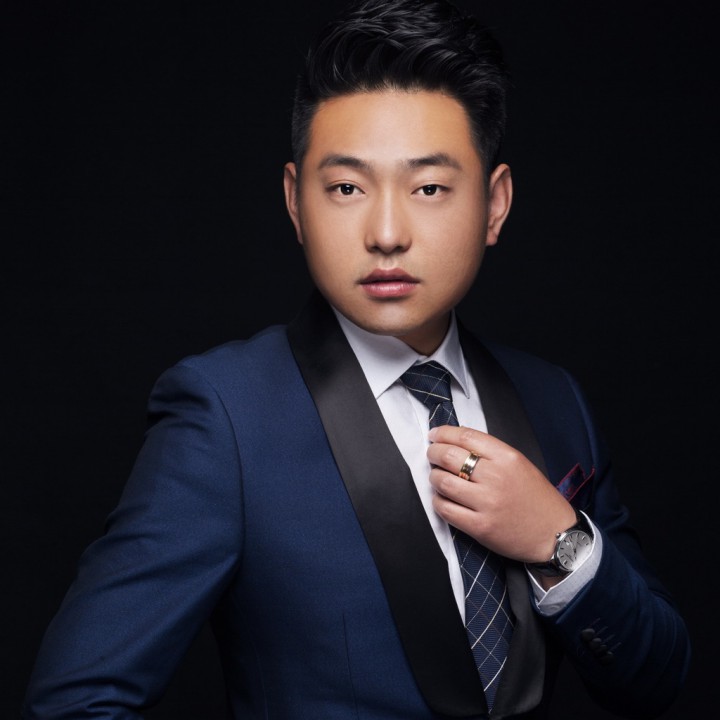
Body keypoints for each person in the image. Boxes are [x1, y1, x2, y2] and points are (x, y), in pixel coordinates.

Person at [23, 0, 690, 718]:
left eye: (429, 188)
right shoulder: (226, 416)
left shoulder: (554, 399)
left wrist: (560, 542)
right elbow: (75, 701)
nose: (387, 232)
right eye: (346, 188)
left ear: (494, 205)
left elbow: (657, 680)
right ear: (295, 201)